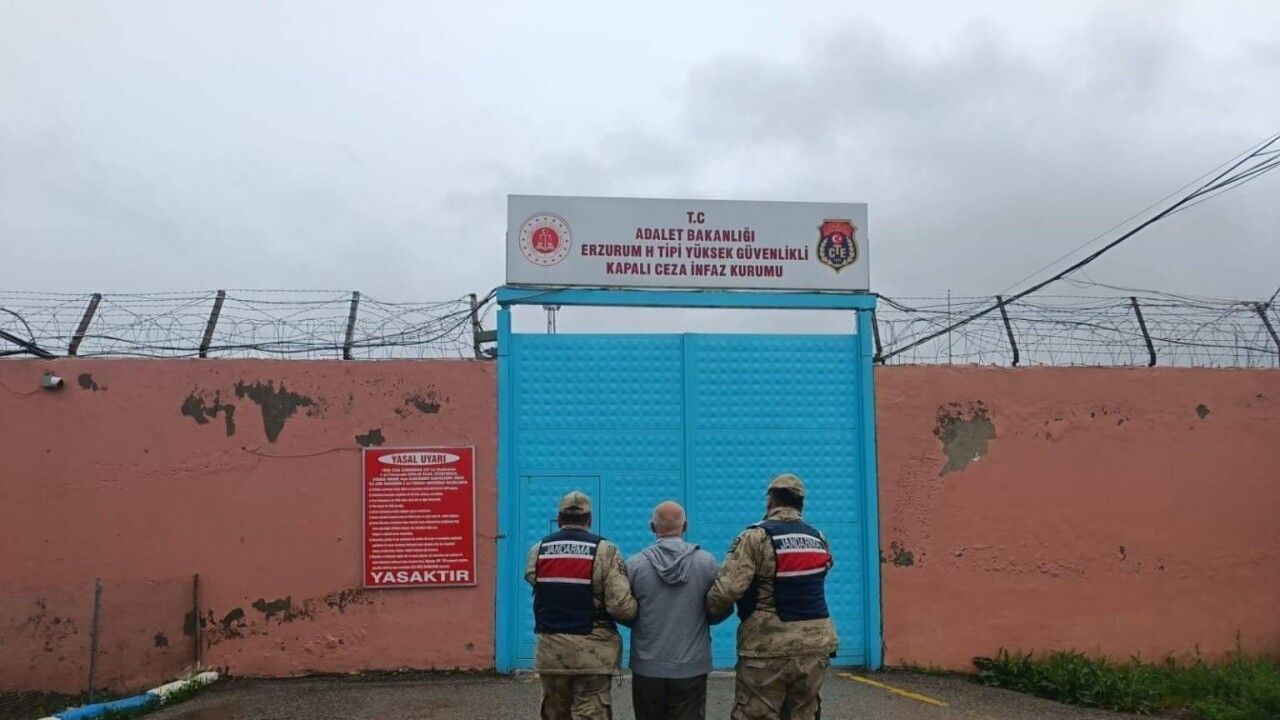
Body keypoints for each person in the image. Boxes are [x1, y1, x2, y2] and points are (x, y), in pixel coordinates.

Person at [705, 474, 837, 720]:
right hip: (816, 645)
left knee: (756, 713)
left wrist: (707, 613)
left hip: (767, 647)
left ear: (770, 501)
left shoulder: (755, 537)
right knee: (804, 714)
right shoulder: (818, 538)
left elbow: (727, 590)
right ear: (801, 503)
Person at [526, 490, 637, 720]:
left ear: (559, 519)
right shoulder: (605, 550)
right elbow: (620, 606)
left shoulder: (539, 550)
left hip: (551, 653)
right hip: (592, 655)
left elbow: (536, 583)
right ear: (590, 519)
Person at [626, 501, 720, 720]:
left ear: (652, 527)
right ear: (685, 526)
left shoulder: (635, 565)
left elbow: (622, 609)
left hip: (647, 667)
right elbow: (720, 605)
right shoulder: (706, 563)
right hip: (691, 666)